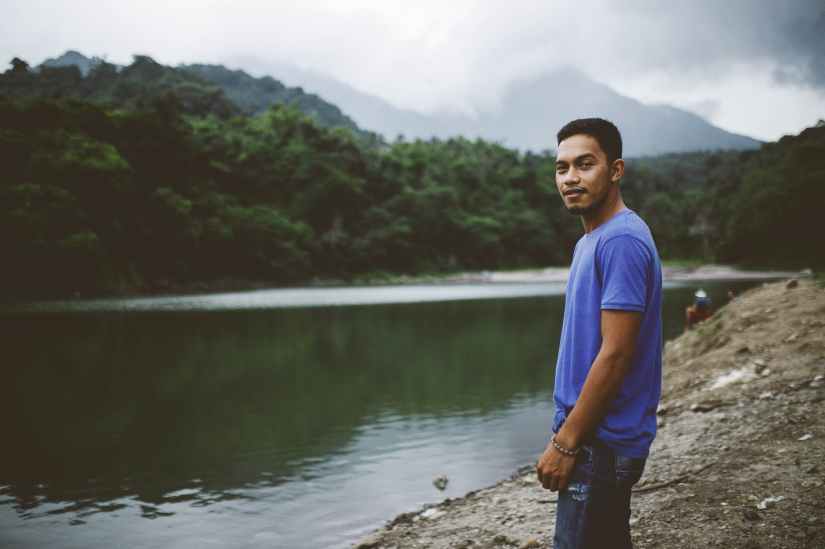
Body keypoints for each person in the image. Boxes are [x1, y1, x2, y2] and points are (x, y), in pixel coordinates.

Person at [535, 118, 663, 549]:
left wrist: (566, 443)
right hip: (592, 438)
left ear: (616, 170)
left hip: (600, 445)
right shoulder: (592, 239)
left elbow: (616, 355)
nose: (570, 178)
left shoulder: (621, 240)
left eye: (585, 164)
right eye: (561, 168)